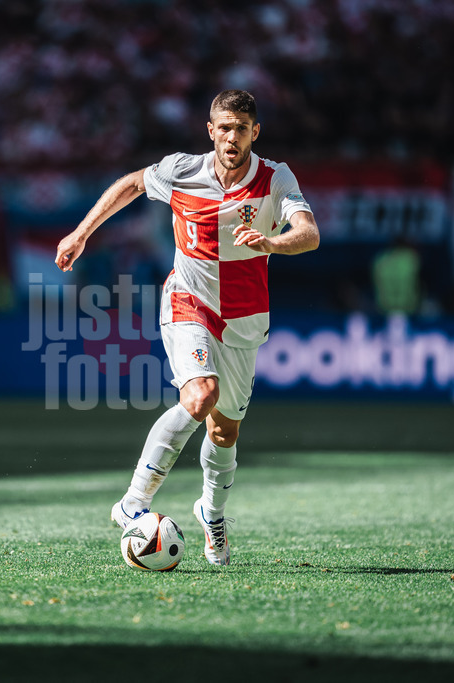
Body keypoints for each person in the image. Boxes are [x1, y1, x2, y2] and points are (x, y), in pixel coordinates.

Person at [55, 90, 320, 565]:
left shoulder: (275, 178)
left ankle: (211, 514)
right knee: (200, 395)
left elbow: (309, 233)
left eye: (242, 129)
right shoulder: (182, 170)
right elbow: (132, 184)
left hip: (244, 319)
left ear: (255, 132)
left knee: (224, 431)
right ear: (211, 130)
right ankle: (132, 502)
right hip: (188, 301)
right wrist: (82, 232)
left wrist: (272, 244)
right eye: (225, 128)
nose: (232, 137)